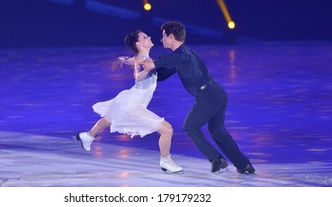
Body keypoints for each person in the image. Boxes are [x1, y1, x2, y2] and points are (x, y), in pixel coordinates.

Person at [142, 21, 255, 174]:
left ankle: (216, 159)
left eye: (163, 36)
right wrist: (147, 72)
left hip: (208, 95)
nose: (161, 39)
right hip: (216, 93)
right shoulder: (182, 56)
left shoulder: (183, 54)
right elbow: (163, 73)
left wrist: (155, 63)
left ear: (171, 36)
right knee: (217, 131)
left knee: (190, 127)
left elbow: (171, 60)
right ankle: (244, 165)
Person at [74, 30, 183, 173]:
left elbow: (130, 60)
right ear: (138, 43)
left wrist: (121, 59)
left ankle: (88, 136)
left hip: (129, 98)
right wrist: (150, 68)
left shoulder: (141, 57)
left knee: (110, 117)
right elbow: (137, 77)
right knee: (167, 130)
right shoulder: (145, 60)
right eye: (145, 37)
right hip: (133, 105)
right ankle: (166, 160)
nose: (149, 37)